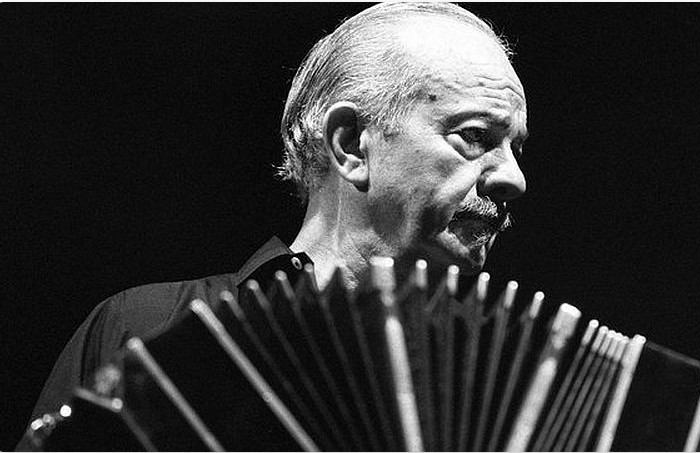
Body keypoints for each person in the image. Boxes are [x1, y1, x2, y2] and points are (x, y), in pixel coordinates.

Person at [17, 2, 526, 449]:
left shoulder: (505, 390)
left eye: (516, 148)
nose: (514, 179)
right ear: (351, 145)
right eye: (475, 136)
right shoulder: (146, 328)